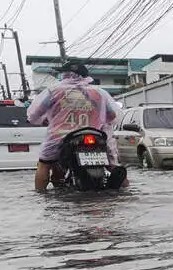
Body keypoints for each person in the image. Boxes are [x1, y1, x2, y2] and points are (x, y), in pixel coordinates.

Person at [26, 60, 128, 192]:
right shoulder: (99, 93)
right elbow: (112, 116)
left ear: (65, 75)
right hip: (95, 135)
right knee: (112, 165)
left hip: (60, 137)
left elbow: (34, 115)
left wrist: (42, 120)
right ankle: (125, 188)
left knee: (44, 164)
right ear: (85, 76)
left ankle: (40, 196)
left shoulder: (53, 91)